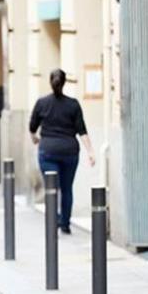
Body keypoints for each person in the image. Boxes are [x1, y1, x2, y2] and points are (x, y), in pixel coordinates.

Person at [29, 69, 96, 234]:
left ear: (50, 82)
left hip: (48, 151)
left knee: (51, 188)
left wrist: (35, 139)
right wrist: (91, 151)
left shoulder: (41, 103)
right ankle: (64, 223)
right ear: (65, 82)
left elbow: (32, 127)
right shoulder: (73, 104)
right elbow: (82, 130)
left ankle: (53, 220)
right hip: (69, 152)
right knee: (67, 188)